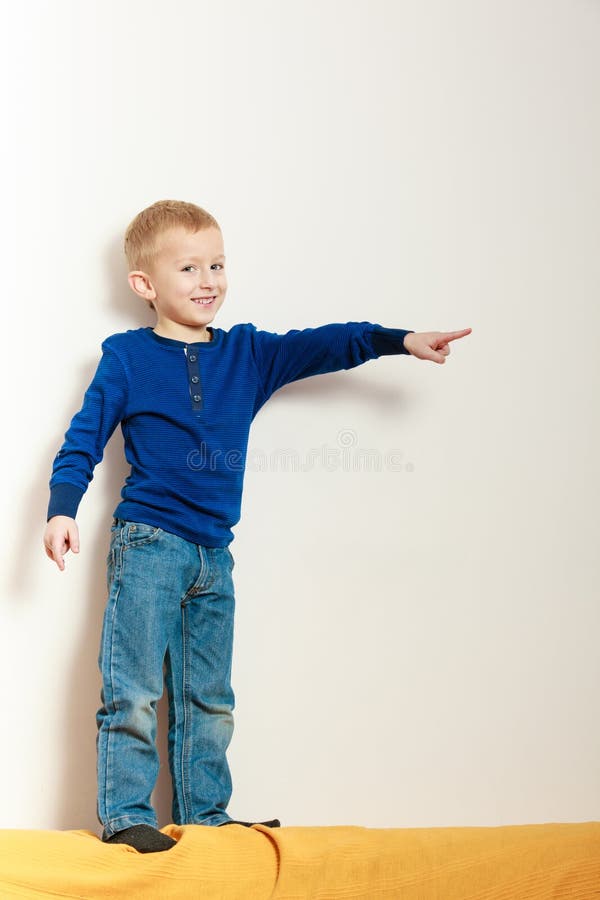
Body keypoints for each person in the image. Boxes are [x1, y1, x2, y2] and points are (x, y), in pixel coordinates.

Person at [43, 199, 472, 854]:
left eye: (217, 263)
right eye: (189, 267)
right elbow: (83, 438)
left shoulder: (247, 354)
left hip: (215, 553)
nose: (209, 280)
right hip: (149, 544)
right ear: (145, 284)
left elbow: (325, 343)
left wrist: (398, 340)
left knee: (208, 700)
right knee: (132, 692)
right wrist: (62, 509)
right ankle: (127, 817)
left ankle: (207, 820)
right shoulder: (127, 357)